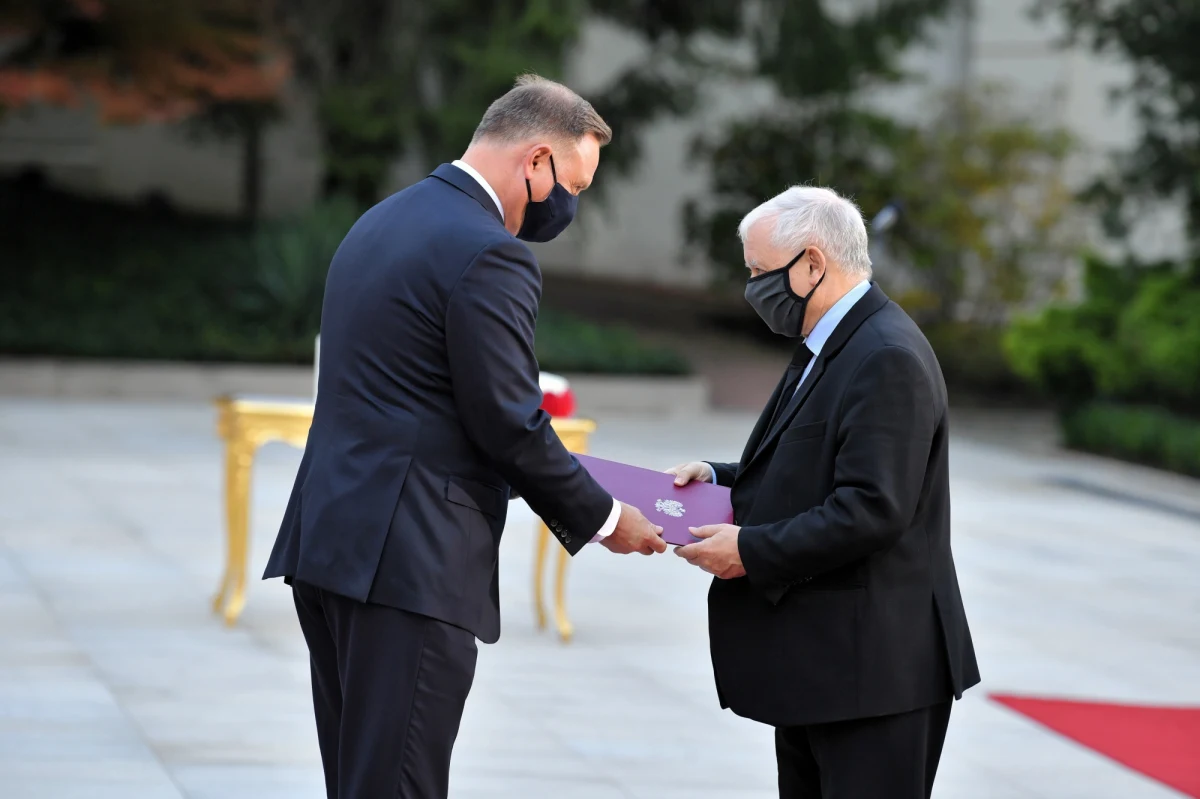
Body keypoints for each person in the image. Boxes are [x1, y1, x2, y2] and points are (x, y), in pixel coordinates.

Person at [263, 74, 667, 799]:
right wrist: (608, 516)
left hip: (332, 545)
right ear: (535, 161)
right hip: (408, 563)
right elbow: (510, 423)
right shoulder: (491, 252)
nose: (569, 206)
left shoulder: (381, 220)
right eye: (571, 185)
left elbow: (429, 397)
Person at [668, 186, 979, 799]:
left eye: (760, 272)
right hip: (827, 667)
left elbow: (872, 508)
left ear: (812, 263)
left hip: (874, 675)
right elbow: (810, 460)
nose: (752, 287)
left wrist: (751, 550)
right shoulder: (831, 341)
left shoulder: (885, 355)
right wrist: (721, 476)